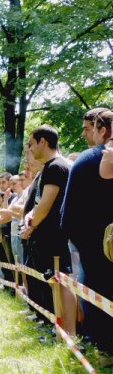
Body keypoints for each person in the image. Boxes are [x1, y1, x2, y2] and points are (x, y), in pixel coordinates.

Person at [62, 110, 113, 347]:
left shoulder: (88, 159)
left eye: (89, 129)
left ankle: (104, 350)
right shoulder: (92, 159)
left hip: (95, 252)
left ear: (101, 130)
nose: (86, 134)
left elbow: (68, 219)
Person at [22, 125, 74, 331]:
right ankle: (60, 329)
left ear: (43, 142)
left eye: (32, 144)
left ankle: (67, 332)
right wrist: (29, 219)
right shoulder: (52, 166)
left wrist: (31, 225)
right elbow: (37, 205)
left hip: (56, 237)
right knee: (56, 283)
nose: (31, 149)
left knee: (62, 283)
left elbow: (45, 204)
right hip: (51, 237)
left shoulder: (56, 167)